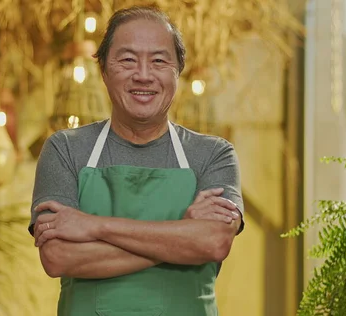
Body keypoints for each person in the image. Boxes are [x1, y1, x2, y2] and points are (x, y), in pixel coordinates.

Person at [29, 6, 244, 316]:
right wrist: (183, 235)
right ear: (103, 70)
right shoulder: (65, 149)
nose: (143, 75)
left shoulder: (213, 154)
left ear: (177, 71)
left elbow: (213, 243)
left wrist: (92, 225)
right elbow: (58, 257)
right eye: (127, 60)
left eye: (159, 61)